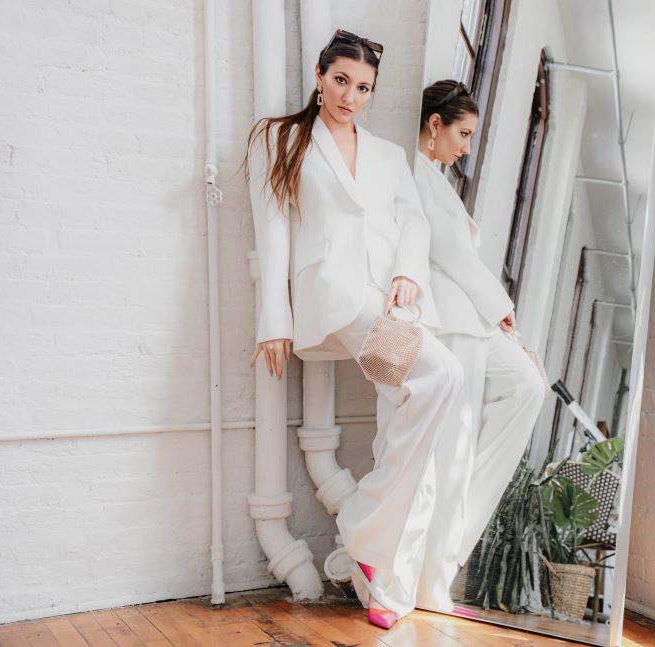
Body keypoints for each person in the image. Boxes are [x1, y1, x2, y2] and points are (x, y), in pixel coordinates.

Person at [241, 31, 467, 630]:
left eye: (363, 88)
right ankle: (364, 529)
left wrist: (408, 273)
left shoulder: (389, 155)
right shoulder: (281, 138)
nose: (350, 96)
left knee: (413, 409)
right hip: (338, 299)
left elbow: (413, 221)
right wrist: (273, 320)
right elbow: (272, 228)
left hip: (391, 302)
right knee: (443, 373)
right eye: (341, 80)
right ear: (320, 75)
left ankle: (375, 571)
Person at [411, 80, 547, 610]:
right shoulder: (415, 173)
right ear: (435, 124)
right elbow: (451, 255)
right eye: (463, 134)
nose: (466, 147)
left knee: (526, 389)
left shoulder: (436, 180)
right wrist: (501, 306)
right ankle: (431, 573)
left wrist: (496, 311)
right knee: (451, 450)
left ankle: (443, 558)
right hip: (452, 322)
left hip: (470, 320)